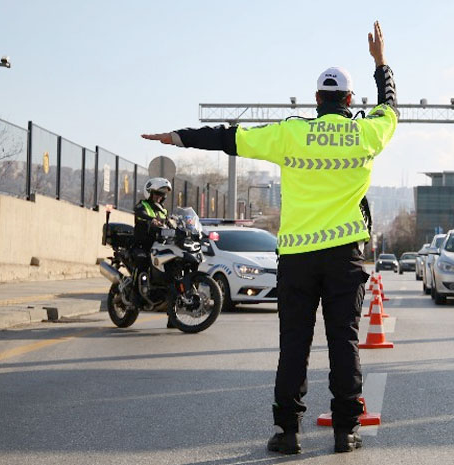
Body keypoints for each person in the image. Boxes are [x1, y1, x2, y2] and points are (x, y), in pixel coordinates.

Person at [142, 21, 397, 454]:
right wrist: (381, 62)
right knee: (345, 341)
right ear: (350, 101)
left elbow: (228, 137)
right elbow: (391, 107)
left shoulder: (290, 132)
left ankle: (288, 433)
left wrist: (177, 137)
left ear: (317, 100)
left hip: (297, 257)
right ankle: (345, 431)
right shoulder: (367, 132)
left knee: (294, 345)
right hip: (344, 257)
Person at [133, 177, 175, 328]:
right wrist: (151, 220)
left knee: (171, 276)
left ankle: (173, 317)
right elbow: (140, 213)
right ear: (149, 193)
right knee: (142, 262)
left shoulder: (163, 210)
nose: (159, 197)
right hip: (142, 245)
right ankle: (135, 297)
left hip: (159, 247)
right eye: (157, 194)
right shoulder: (142, 205)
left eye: (162, 195)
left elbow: (170, 223)